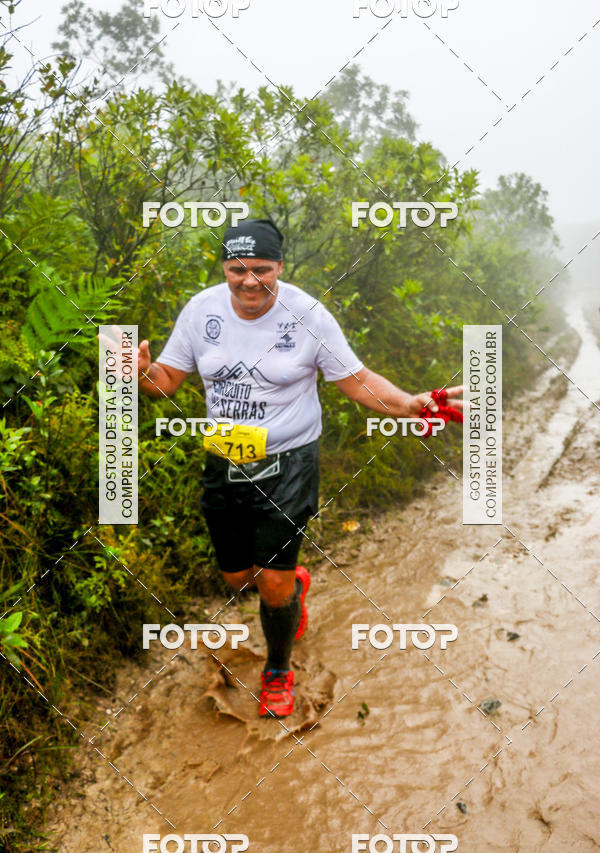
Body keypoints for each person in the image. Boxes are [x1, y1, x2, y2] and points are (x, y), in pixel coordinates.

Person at [137, 219, 463, 718]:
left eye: (261, 270)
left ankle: (277, 671)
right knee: (238, 578)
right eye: (237, 269)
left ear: (280, 267)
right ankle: (295, 586)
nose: (249, 281)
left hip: (288, 462)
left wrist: (410, 404)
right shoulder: (201, 311)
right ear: (225, 267)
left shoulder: (307, 315)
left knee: (271, 583)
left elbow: (357, 380)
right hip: (225, 458)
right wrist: (142, 374)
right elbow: (167, 382)